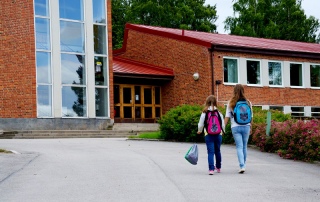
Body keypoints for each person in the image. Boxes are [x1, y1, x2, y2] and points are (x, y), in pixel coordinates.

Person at [224, 84, 253, 174]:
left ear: (234, 91)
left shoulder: (231, 102)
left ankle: (242, 166)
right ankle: (243, 164)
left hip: (235, 127)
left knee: (239, 147)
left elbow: (227, 116)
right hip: (246, 126)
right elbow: (251, 116)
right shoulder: (248, 102)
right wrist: (250, 126)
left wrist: (223, 127)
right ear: (243, 91)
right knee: (244, 147)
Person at [197, 95, 225, 175]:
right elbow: (222, 124)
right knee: (218, 151)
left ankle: (211, 169)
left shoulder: (205, 112)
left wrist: (199, 131)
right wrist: (223, 132)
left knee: (210, 152)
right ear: (216, 102)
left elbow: (200, 124)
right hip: (218, 134)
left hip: (208, 134)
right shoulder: (219, 113)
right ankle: (218, 167)